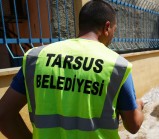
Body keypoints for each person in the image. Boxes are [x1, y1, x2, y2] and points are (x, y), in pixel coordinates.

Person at [0, 0, 144, 139]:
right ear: (107, 27)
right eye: (114, 29)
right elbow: (134, 126)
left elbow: (3, 115)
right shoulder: (116, 65)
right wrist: (138, 106)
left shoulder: (36, 58)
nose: (113, 35)